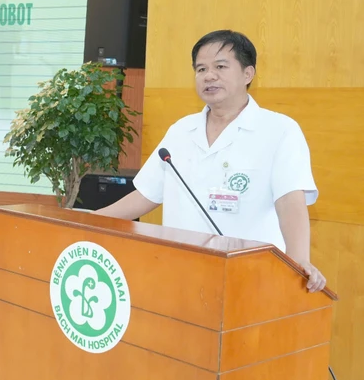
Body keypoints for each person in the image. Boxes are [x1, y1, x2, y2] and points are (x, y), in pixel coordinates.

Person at [93, 30, 326, 293]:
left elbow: (290, 202)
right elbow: (146, 195)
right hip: (179, 273)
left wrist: (299, 259)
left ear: (248, 74)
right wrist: (89, 219)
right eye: (201, 69)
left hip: (249, 277)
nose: (209, 76)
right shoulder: (181, 130)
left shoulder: (279, 130)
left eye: (220, 67)